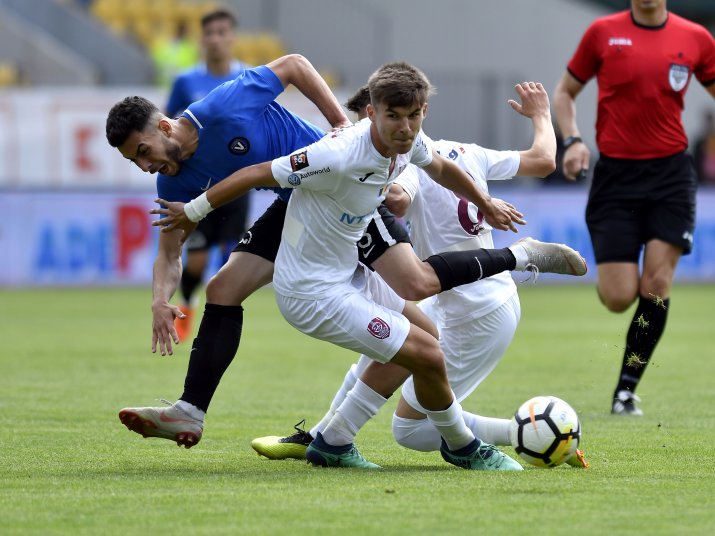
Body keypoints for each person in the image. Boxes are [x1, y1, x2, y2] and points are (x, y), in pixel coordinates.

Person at [108, 56, 584, 453]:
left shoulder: (223, 107)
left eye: (145, 150)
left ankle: (519, 258)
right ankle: (198, 412)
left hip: (343, 190)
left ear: (165, 125)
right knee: (223, 288)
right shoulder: (171, 179)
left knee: (415, 292)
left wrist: (338, 122)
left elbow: (293, 65)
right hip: (297, 201)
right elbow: (169, 247)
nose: (147, 165)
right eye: (137, 161)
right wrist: (158, 299)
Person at [249, 84, 588, 468]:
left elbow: (398, 197)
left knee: (410, 430)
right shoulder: (469, 152)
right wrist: (541, 115)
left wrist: (362, 182)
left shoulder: (404, 160)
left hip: (476, 311)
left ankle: (533, 435)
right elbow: (544, 160)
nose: (363, 137)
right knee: (383, 338)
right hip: (462, 300)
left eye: (369, 125)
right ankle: (323, 435)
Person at [553, 0, 715, 415]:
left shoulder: (695, 37)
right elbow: (566, 93)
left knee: (656, 286)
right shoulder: (602, 33)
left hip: (671, 177)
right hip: (616, 179)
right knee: (619, 296)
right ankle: (616, 287)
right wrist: (572, 141)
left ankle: (626, 390)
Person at [165, 8, 252, 342]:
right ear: (202, 40)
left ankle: (216, 326)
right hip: (198, 186)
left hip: (237, 183)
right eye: (210, 33)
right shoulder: (186, 82)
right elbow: (168, 127)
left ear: (232, 37)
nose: (216, 39)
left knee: (231, 261)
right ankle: (187, 302)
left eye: (222, 32)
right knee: (197, 262)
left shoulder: (247, 77)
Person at [692, 110, 715, 186]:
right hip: (702, 182)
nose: (709, 125)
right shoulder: (699, 143)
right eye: (707, 123)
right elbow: (695, 161)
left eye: (710, 122)